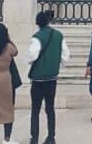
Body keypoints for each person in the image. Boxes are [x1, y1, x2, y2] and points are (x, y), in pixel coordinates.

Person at [25, 10, 70, 144]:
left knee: (35, 110)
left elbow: (31, 56)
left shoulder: (37, 37)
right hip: (52, 78)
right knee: (50, 108)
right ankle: (51, 137)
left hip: (38, 79)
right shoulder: (58, 35)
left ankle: (34, 139)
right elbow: (65, 56)